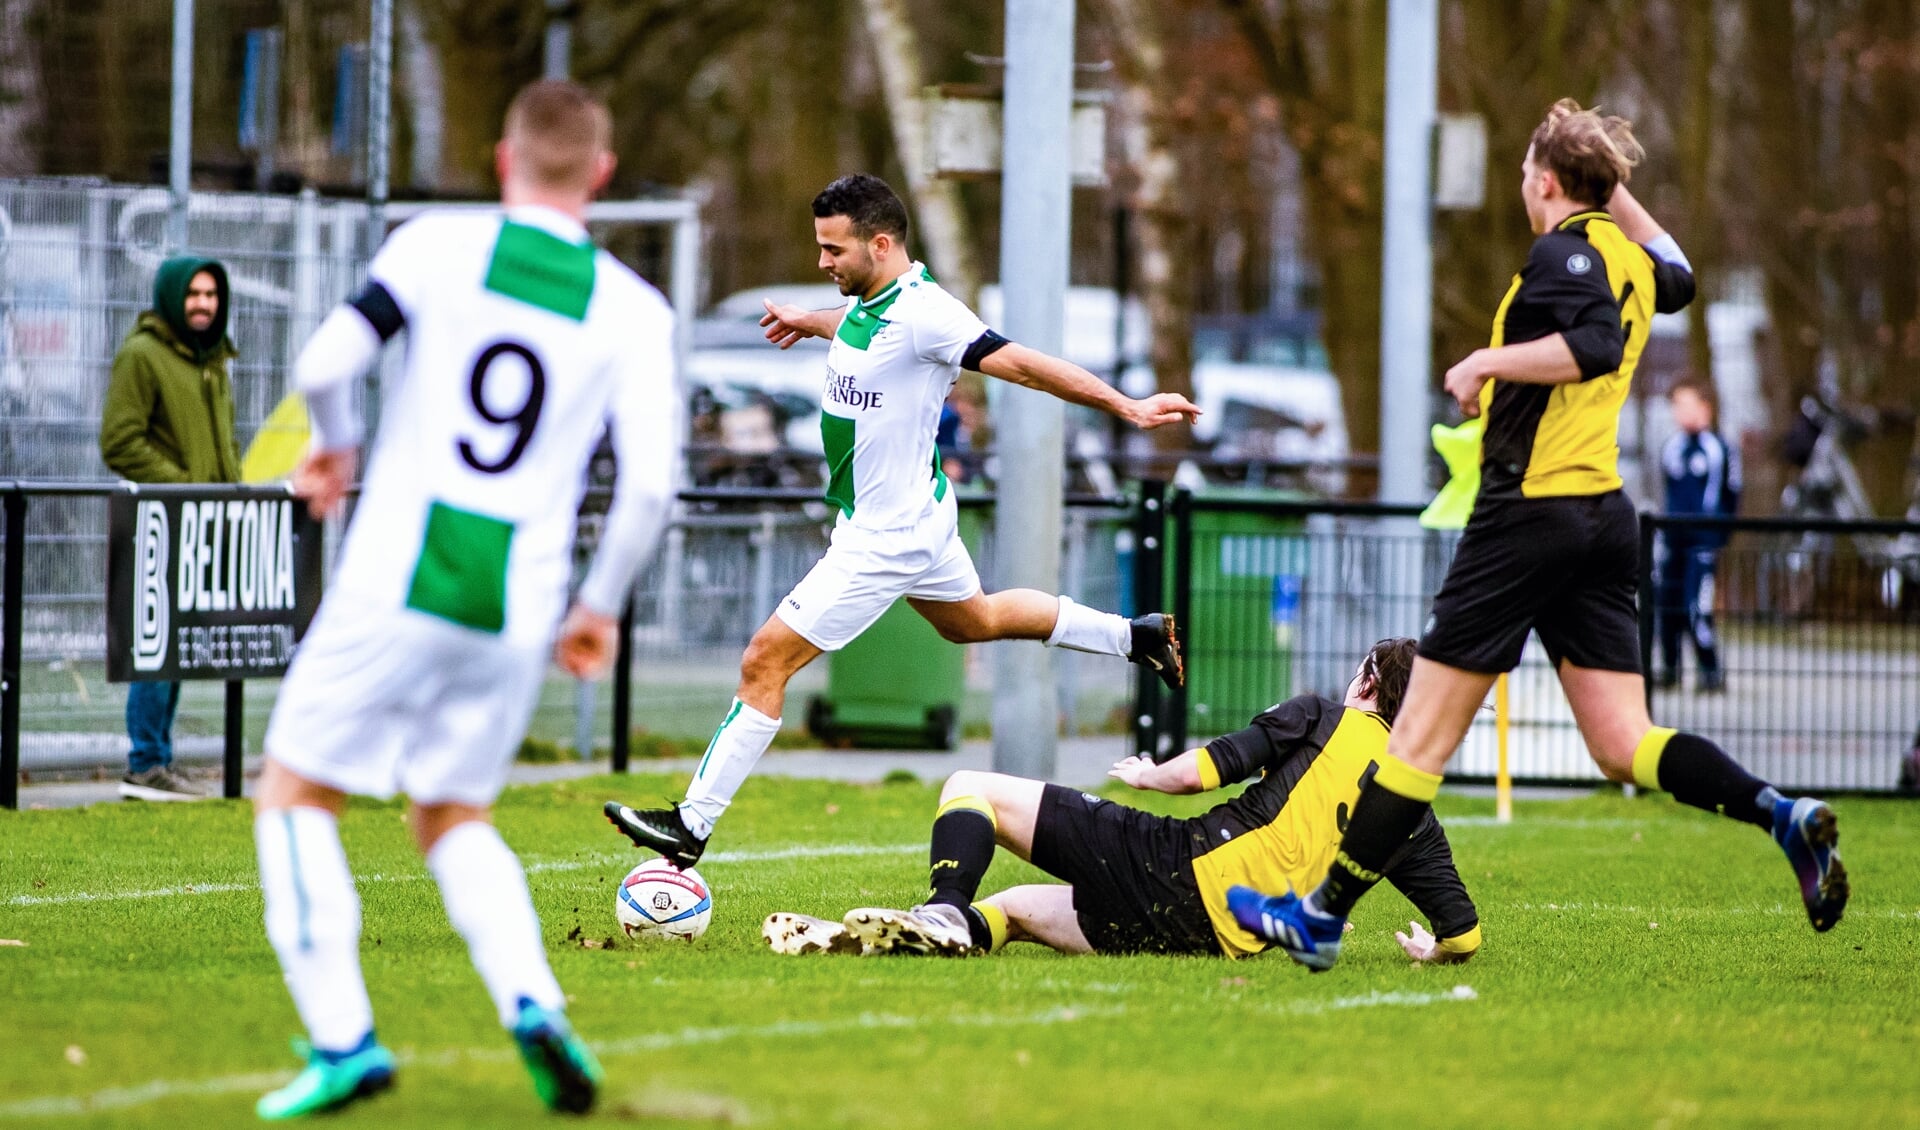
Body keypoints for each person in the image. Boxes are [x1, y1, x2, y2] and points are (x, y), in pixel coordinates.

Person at [1230, 100, 1848, 973]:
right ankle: (1778, 811)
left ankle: (1321, 918)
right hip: (1602, 518)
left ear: (1546, 182)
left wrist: (1486, 361)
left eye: (1527, 170)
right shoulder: (1631, 257)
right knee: (1622, 744)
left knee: (1416, 744)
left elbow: (1592, 345)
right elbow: (1682, 274)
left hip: (1526, 516)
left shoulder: (1559, 251)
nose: (1522, 184)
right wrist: (1612, 182)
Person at [248, 81, 678, 1119]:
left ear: (502, 159)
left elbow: (325, 360)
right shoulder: (633, 307)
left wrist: (336, 441)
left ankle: (344, 1034)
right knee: (449, 815)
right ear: (603, 177)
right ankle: (534, 1001)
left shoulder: (437, 245)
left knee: (296, 794)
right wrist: (598, 604)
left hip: (399, 567)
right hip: (514, 601)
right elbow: (653, 483)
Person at [605, 174, 1201, 867]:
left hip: (884, 538)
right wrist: (810, 320)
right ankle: (1136, 637)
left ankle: (691, 824)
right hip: (914, 514)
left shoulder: (928, 313)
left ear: (880, 244)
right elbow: (860, 327)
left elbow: (1026, 366)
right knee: (972, 621)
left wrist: (1128, 406)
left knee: (763, 659)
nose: (823, 263)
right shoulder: (871, 303)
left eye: (834, 250)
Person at [763, 639, 1480, 964]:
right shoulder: (1411, 806)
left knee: (969, 788)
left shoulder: (1325, 715)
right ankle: (909, 937)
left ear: (1365, 684)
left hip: (1178, 867)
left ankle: (944, 904)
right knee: (1014, 908)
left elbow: (1209, 770)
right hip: (1221, 935)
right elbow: (1462, 932)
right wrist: (1432, 951)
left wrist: (1147, 774)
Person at [99, 256, 241, 801]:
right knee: (154, 643)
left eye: (211, 294)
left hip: (206, 526)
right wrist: (182, 485)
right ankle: (146, 763)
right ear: (171, 297)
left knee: (179, 642)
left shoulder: (214, 361)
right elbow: (119, 440)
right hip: (161, 524)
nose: (204, 304)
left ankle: (160, 760)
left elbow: (222, 445)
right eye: (194, 294)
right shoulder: (143, 356)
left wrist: (229, 493)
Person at [1656, 380, 1739, 693]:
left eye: (1686, 404)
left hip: (1702, 544)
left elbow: (1730, 495)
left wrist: (1716, 536)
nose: (1679, 412)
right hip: (1672, 542)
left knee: (1696, 607)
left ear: (1705, 407)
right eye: (1676, 405)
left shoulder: (1718, 449)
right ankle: (1669, 669)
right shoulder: (1672, 448)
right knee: (1666, 606)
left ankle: (1710, 672)